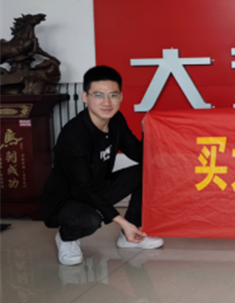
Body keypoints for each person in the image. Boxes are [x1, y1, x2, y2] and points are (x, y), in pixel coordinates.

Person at [41, 66, 163, 266]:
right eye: (98, 95)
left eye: (112, 95)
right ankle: (67, 238)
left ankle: (129, 236)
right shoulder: (73, 135)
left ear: (120, 97)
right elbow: (82, 188)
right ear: (85, 97)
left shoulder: (116, 120)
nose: (107, 102)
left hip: (97, 186)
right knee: (88, 221)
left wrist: (147, 133)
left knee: (148, 172)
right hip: (67, 199)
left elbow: (140, 156)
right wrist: (121, 221)